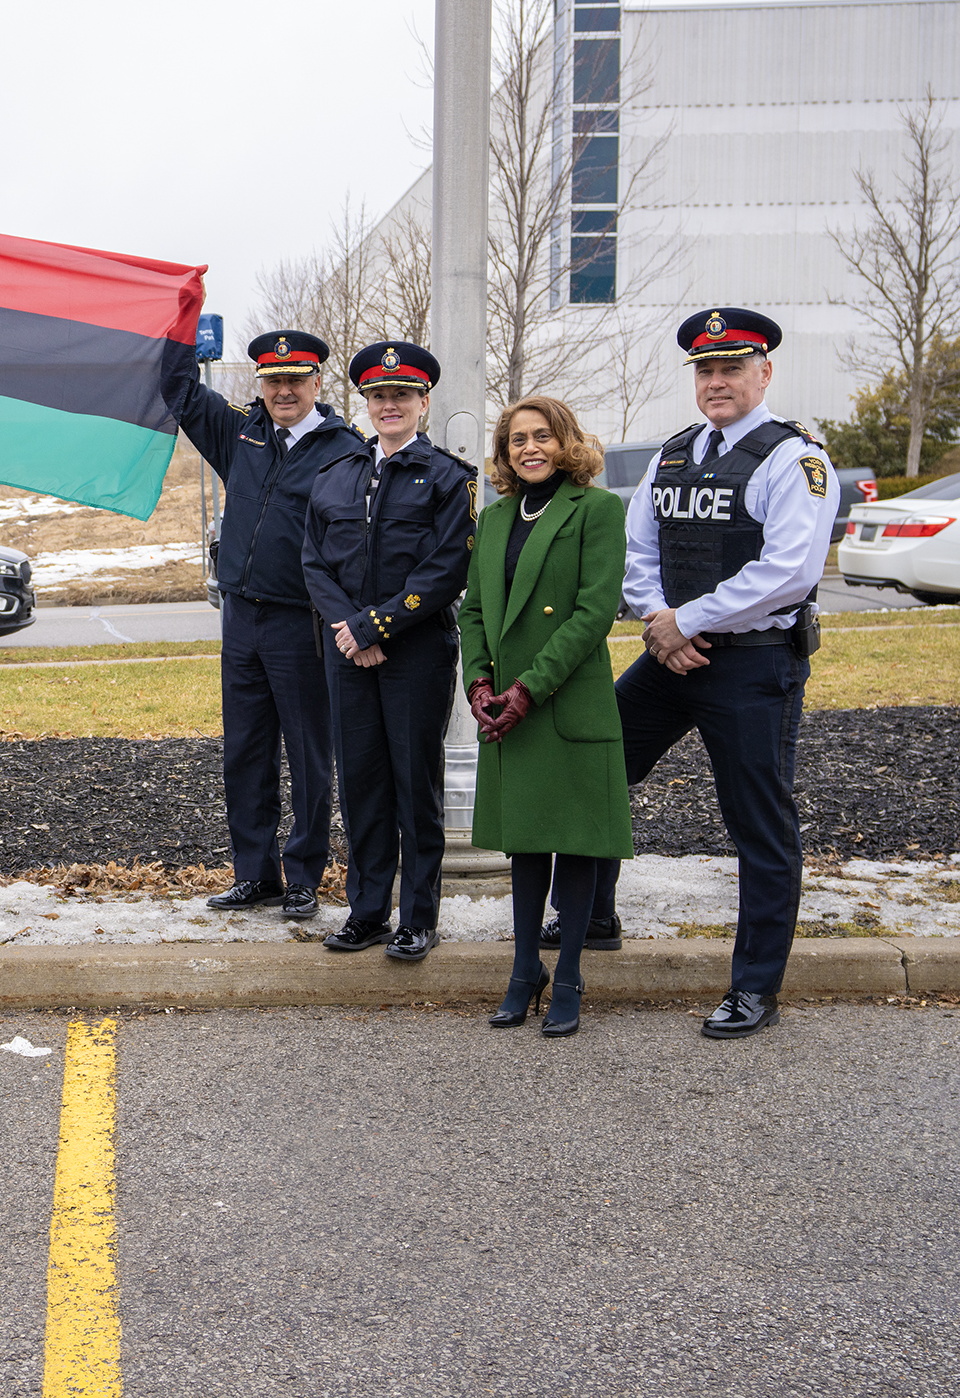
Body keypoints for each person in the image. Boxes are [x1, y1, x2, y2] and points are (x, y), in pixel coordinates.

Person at [608, 308, 839, 1038]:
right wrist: (661, 623)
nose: (716, 382)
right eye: (705, 371)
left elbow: (788, 573)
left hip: (754, 665)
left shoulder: (793, 458)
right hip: (672, 653)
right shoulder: (672, 455)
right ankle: (591, 914)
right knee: (596, 763)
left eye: (731, 368)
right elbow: (638, 552)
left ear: (763, 373)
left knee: (759, 825)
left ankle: (755, 990)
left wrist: (688, 620)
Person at [161, 331, 366, 917]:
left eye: (295, 380)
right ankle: (256, 873)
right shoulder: (242, 432)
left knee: (307, 753)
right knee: (245, 752)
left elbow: (351, 547)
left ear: (317, 384)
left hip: (301, 623)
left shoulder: (343, 450)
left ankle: (302, 877)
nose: (283, 391)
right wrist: (179, 317)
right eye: (273, 381)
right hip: (241, 617)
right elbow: (178, 387)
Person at [457, 397, 634, 1036]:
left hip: (564, 702)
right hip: (506, 706)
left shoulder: (598, 510)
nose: (529, 449)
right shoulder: (497, 517)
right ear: (504, 454)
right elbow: (473, 610)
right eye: (515, 440)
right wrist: (480, 683)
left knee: (577, 842)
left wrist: (529, 689)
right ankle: (524, 969)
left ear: (565, 442)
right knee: (526, 844)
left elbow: (594, 611)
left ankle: (571, 975)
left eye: (542, 437)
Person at [303, 343, 477, 961]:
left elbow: (446, 569)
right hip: (348, 653)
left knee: (413, 785)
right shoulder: (337, 475)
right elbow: (314, 564)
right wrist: (353, 630)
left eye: (402, 395)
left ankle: (419, 917)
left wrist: (377, 627)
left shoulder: (451, 481)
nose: (389, 405)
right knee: (363, 785)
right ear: (366, 403)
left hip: (415, 654)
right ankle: (368, 910)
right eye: (378, 396)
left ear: (423, 402)